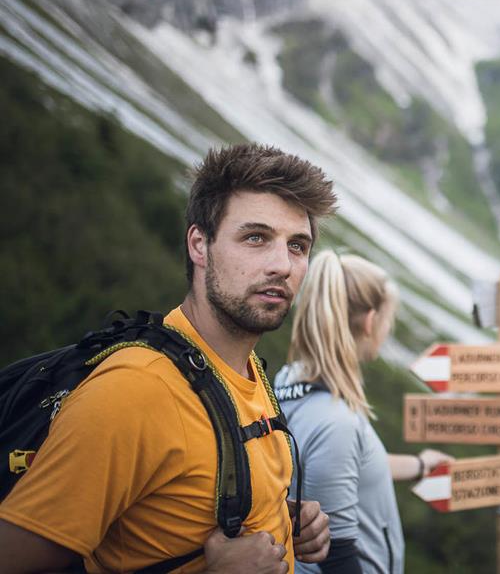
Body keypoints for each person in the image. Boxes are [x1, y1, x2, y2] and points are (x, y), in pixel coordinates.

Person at [0, 143, 338, 573]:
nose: (282, 265)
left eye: (297, 246)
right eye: (256, 237)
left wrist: (279, 520)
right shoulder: (136, 391)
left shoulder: (244, 371)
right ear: (200, 245)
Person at [273, 251, 451, 574]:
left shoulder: (291, 377)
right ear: (370, 322)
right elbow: (338, 559)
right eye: (388, 321)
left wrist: (420, 465)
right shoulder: (335, 423)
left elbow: (343, 468)